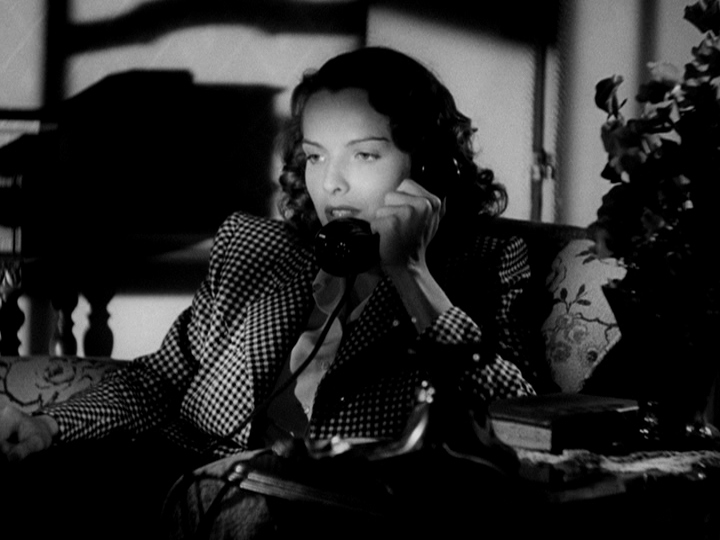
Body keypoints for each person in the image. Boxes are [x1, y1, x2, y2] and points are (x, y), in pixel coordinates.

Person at [0, 46, 541, 540]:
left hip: (328, 518)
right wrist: (47, 426)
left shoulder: (482, 266)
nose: (332, 183)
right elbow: (158, 382)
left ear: (425, 165)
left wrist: (412, 275)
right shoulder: (255, 251)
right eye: (316, 156)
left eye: (364, 155)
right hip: (176, 482)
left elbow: (513, 420)